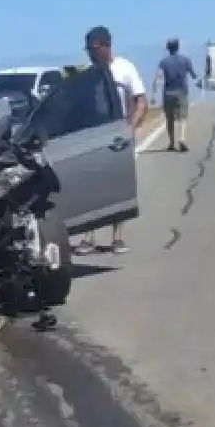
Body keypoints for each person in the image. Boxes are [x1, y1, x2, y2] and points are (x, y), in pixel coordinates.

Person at [73, 26, 147, 256]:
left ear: (106, 46)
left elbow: (140, 100)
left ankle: (117, 237)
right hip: (92, 137)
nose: (91, 54)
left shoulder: (125, 68)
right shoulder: (87, 76)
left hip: (118, 136)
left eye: (94, 49)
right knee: (90, 187)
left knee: (118, 188)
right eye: (88, 50)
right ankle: (89, 236)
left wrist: (130, 128)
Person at [151, 38, 196, 152]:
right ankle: (182, 138)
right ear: (178, 47)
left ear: (168, 49)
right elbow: (193, 75)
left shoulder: (163, 62)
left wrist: (153, 94)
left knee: (169, 118)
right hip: (181, 91)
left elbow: (157, 78)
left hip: (168, 93)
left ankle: (171, 143)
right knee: (182, 116)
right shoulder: (185, 60)